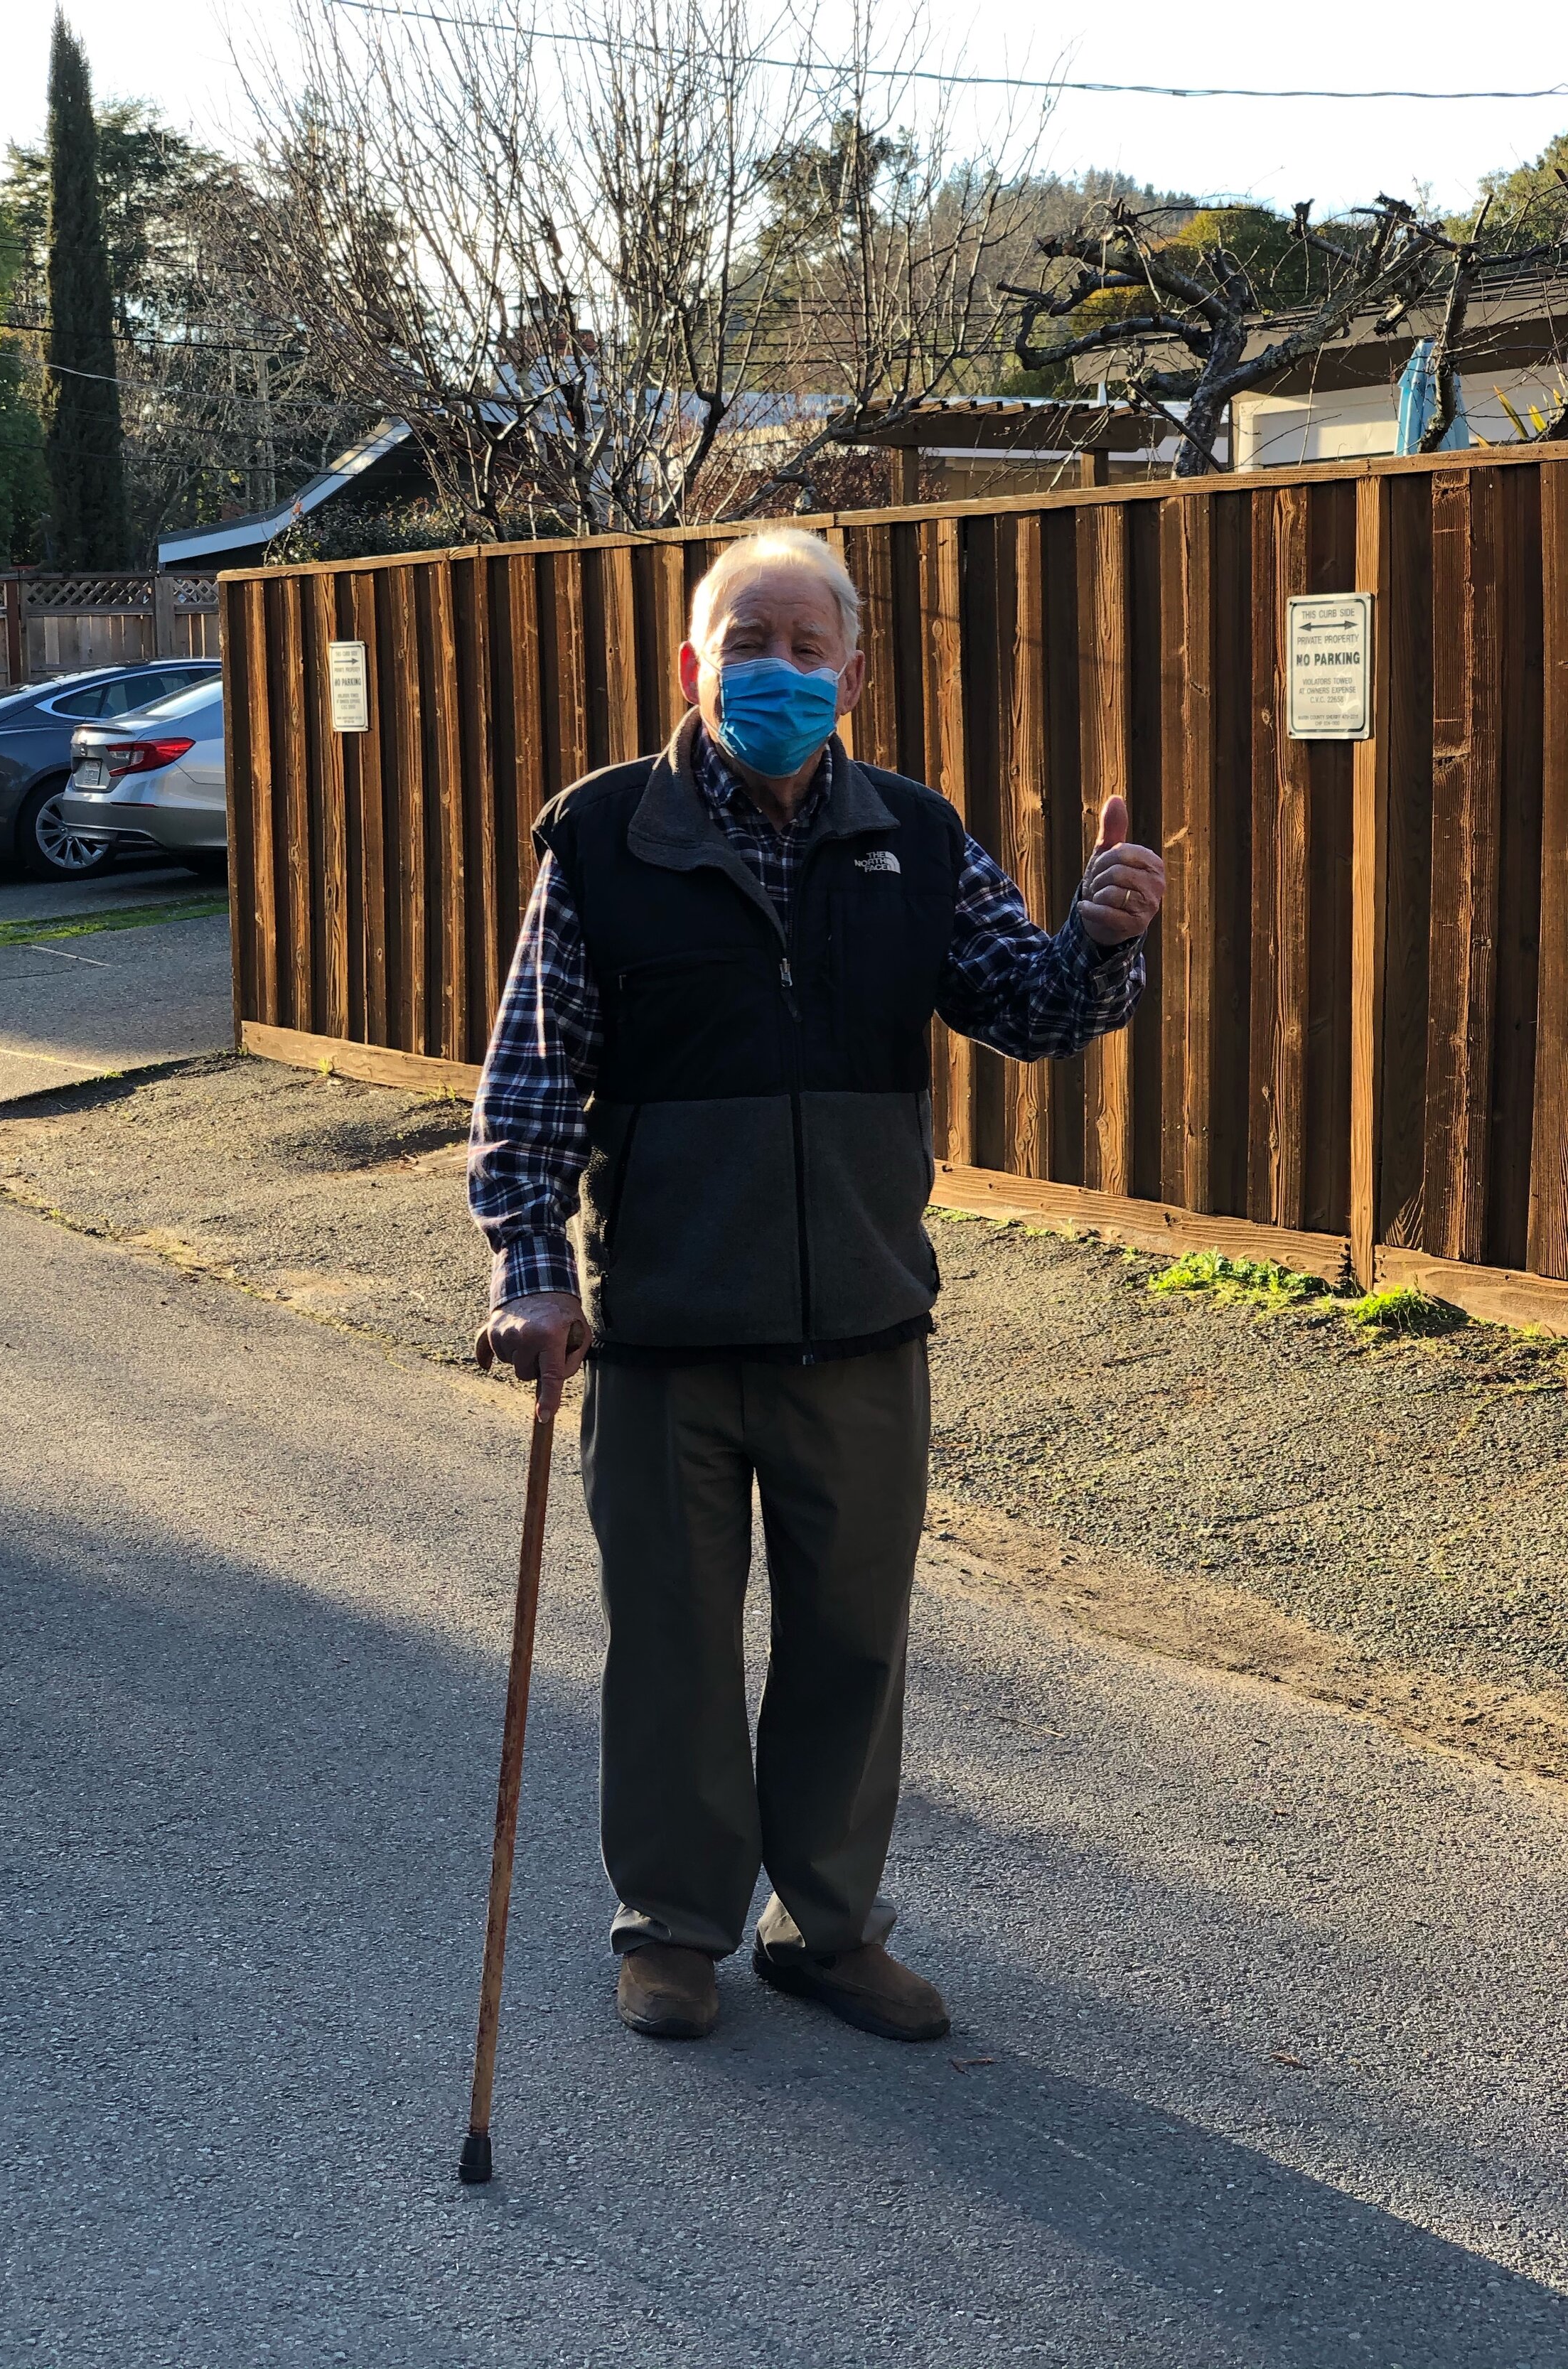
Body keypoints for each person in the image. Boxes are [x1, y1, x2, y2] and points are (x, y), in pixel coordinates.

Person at [468, 527, 1164, 2044]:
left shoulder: (912, 837)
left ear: (852, 672)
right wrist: (531, 1276)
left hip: (859, 1321)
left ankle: (828, 1922)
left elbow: (1028, 1007)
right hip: (662, 1329)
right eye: (746, 638)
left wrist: (1104, 940)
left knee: (853, 1637)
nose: (774, 670)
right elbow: (530, 1084)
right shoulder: (601, 838)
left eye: (806, 646)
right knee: (671, 1637)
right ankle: (674, 1926)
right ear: (688, 660)